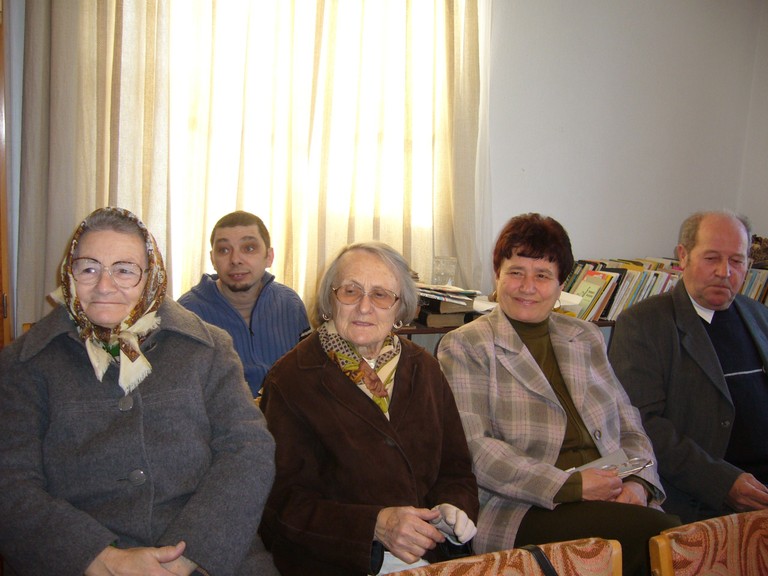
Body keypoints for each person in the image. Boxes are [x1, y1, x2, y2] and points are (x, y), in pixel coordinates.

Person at [0, 207, 278, 576]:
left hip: (209, 556)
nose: (104, 285)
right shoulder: (24, 363)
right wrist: (102, 559)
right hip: (79, 561)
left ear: (151, 277)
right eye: (89, 268)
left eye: (125, 270)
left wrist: (187, 556)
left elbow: (248, 450)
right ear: (69, 273)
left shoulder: (207, 348)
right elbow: (11, 481)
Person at [437, 213, 679, 576]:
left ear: (560, 284)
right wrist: (571, 485)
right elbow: (476, 449)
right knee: (660, 538)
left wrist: (640, 482)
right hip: (523, 505)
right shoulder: (466, 345)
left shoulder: (585, 336)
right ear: (497, 276)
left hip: (611, 490)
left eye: (542, 275)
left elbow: (629, 423)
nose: (527, 287)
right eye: (516, 272)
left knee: (676, 538)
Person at [258, 241, 479, 576]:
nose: (364, 307)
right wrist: (374, 525)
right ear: (330, 300)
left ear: (400, 307)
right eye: (350, 291)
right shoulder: (290, 379)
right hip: (338, 561)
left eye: (380, 295)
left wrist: (452, 509)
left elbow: (456, 470)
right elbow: (281, 504)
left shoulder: (425, 368)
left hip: (429, 554)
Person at [609, 210, 768, 523]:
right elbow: (641, 425)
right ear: (683, 256)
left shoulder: (760, 317)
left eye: (736, 261)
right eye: (712, 258)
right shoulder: (643, 324)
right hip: (703, 499)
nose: (724, 272)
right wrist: (723, 483)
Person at [178, 211, 310, 396]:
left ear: (269, 256)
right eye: (224, 250)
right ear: (213, 259)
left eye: (249, 248)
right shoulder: (186, 313)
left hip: (285, 411)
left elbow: (308, 373)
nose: (235, 260)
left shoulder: (290, 303)